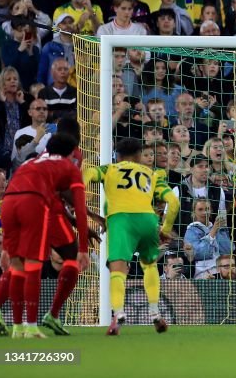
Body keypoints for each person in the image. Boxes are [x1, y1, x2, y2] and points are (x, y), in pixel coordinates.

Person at [0, 133, 90, 339]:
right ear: (71, 152)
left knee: (17, 266)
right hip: (34, 202)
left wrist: (5, 248)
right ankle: (31, 327)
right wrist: (83, 248)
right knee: (33, 266)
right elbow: (80, 210)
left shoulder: (33, 161)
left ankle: (18, 327)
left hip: (8, 201)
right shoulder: (70, 167)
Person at [82, 137, 179, 335]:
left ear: (117, 156)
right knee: (150, 266)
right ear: (138, 156)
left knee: (118, 270)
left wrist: (81, 198)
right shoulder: (151, 173)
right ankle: (154, 312)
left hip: (120, 220)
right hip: (147, 219)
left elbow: (88, 173)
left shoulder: (109, 169)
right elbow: (173, 202)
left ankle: (118, 313)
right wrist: (166, 229)